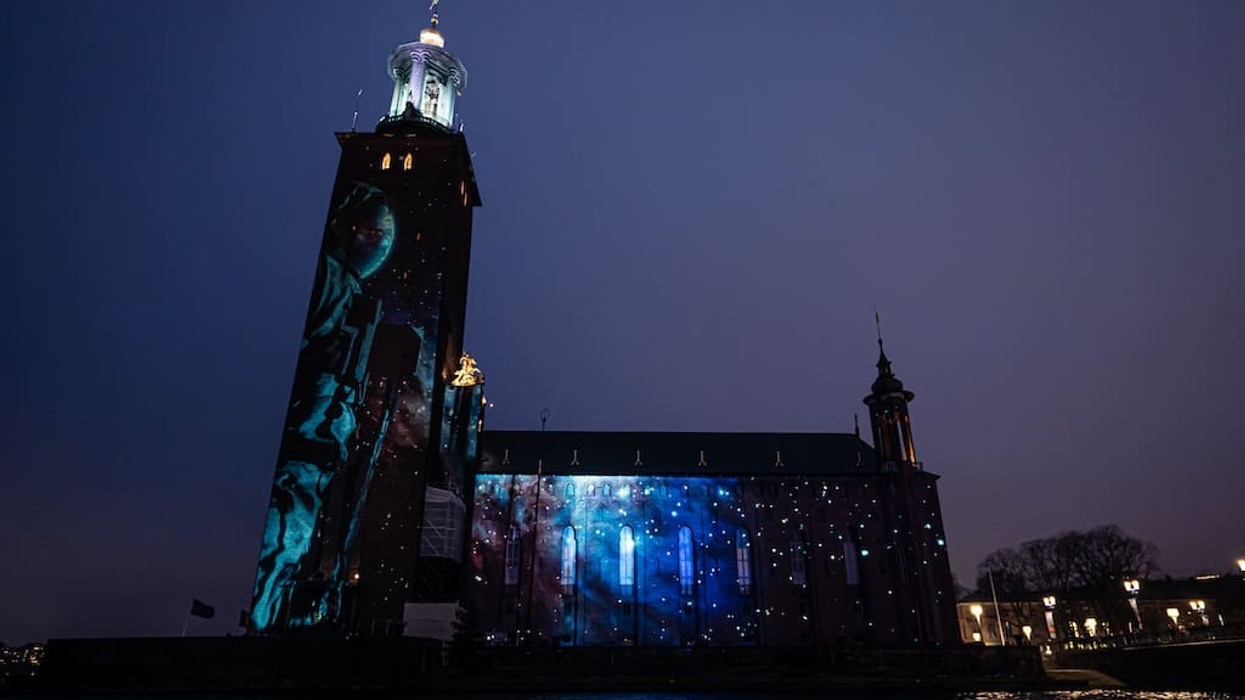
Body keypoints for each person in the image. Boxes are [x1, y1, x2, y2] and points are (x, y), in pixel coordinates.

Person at [251, 183, 396, 632]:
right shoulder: (331, 283)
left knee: (288, 535)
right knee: (285, 533)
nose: (375, 239)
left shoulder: (338, 285)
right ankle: (264, 616)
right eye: (370, 232)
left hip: (317, 443)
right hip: (309, 443)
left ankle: (267, 614)